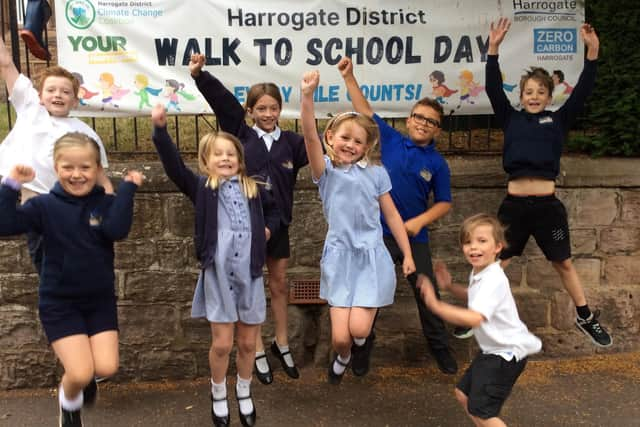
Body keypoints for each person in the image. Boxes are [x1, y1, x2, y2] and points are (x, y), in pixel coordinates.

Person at [0, 132, 143, 427]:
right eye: (68, 167)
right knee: (79, 373)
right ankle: (69, 404)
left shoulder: (103, 204)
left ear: (97, 169)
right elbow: (5, 224)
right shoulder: (43, 207)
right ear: (56, 167)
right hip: (60, 303)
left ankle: (83, 380)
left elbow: (117, 229)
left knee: (106, 366)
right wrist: (11, 183)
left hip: (99, 301)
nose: (77, 175)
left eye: (85, 167)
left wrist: (127, 188)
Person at [151, 104, 280, 427]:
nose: (225, 159)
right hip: (219, 275)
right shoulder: (203, 189)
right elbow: (174, 168)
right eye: (217, 154)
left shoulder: (254, 189)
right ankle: (218, 390)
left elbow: (277, 212)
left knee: (249, 342)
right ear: (206, 162)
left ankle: (244, 390)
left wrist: (268, 229)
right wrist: (161, 131)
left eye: (230, 154)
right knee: (222, 343)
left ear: (239, 160)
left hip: (249, 274)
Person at [486, 18, 612, 347]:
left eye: (540, 92)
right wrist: (493, 50)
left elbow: (583, 91)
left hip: (547, 208)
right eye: (528, 91)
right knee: (498, 262)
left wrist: (593, 53)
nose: (534, 96)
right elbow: (491, 88)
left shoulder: (558, 120)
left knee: (563, 262)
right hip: (513, 208)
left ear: (548, 96)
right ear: (521, 94)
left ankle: (585, 316)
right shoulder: (510, 117)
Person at [189, 54, 308, 384]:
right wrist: (201, 76)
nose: (268, 114)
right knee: (248, 286)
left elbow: (317, 150)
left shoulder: (292, 143)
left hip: (277, 225)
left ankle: (280, 342)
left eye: (274, 108)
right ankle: (254, 348)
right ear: (251, 111)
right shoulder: (241, 135)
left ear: (280, 111)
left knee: (279, 284)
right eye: (262, 108)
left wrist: (272, 227)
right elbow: (223, 101)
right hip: (244, 231)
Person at [337, 57, 458, 374]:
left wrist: (420, 221)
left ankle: (440, 349)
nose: (422, 123)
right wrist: (350, 76)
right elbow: (363, 109)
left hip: (413, 238)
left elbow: (444, 202)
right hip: (375, 235)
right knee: (368, 296)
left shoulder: (437, 164)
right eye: (418, 117)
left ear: (437, 129)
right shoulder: (390, 139)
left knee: (426, 293)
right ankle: (363, 350)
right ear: (409, 119)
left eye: (430, 121)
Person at [300, 70, 415, 384]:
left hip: (371, 257)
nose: (350, 144)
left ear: (366, 147)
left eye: (357, 141)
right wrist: (307, 97)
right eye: (344, 138)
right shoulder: (325, 172)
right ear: (331, 139)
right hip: (339, 258)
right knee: (340, 338)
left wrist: (407, 253)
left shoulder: (376, 173)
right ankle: (345, 355)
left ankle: (361, 344)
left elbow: (391, 216)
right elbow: (308, 135)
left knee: (360, 330)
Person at [0, 36, 113, 275]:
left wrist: (110, 210)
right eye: (51, 90)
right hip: (36, 204)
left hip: (73, 210)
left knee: (78, 269)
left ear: (75, 99)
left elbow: (102, 179)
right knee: (48, 269)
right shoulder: (30, 108)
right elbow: (6, 63)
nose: (58, 95)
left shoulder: (85, 132)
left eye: (65, 91)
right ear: (40, 96)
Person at [419, 213, 542, 427]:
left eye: (481, 241)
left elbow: (475, 317)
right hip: (493, 351)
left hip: (505, 355)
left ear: (498, 247)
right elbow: (473, 296)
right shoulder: (481, 272)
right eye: (468, 242)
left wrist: (436, 305)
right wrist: (449, 287)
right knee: (462, 394)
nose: (473, 247)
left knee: (483, 412)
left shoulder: (493, 279)